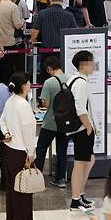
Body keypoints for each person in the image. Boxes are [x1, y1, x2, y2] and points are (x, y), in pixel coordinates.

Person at [0, 72, 36, 220]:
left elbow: (2, 120)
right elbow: (28, 130)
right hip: (21, 150)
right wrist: (31, 152)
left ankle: (12, 218)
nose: (30, 85)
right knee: (23, 186)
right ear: (22, 85)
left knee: (13, 185)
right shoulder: (23, 104)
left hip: (9, 148)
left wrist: (7, 133)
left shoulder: (10, 101)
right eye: (28, 83)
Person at [68, 50, 97, 212]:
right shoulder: (80, 83)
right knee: (80, 163)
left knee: (89, 160)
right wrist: (88, 126)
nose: (93, 65)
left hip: (80, 127)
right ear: (84, 64)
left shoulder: (76, 79)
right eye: (91, 62)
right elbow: (80, 108)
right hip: (81, 128)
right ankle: (75, 200)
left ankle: (80, 194)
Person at [34, 56, 69, 188]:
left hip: (50, 122)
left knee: (41, 149)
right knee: (62, 150)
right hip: (65, 122)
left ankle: (37, 178)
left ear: (49, 68)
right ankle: (61, 179)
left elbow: (46, 103)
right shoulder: (70, 79)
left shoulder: (49, 82)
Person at [0, 0, 25, 84]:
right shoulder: (13, 7)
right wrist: (22, 21)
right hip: (9, 42)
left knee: (0, 69)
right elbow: (17, 25)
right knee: (9, 70)